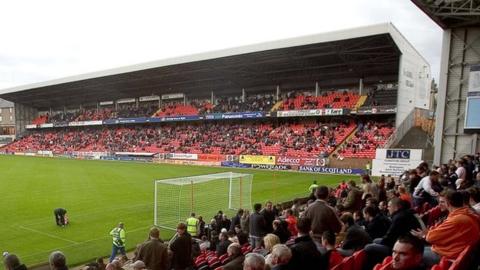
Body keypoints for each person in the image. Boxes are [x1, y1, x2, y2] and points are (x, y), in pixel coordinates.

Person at [412, 189, 480, 267]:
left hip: (448, 257)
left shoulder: (456, 219)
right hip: (452, 252)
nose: (439, 205)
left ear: (448, 203)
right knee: (415, 250)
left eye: (442, 202)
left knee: (412, 255)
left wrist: (426, 234)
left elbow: (430, 238)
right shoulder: (466, 213)